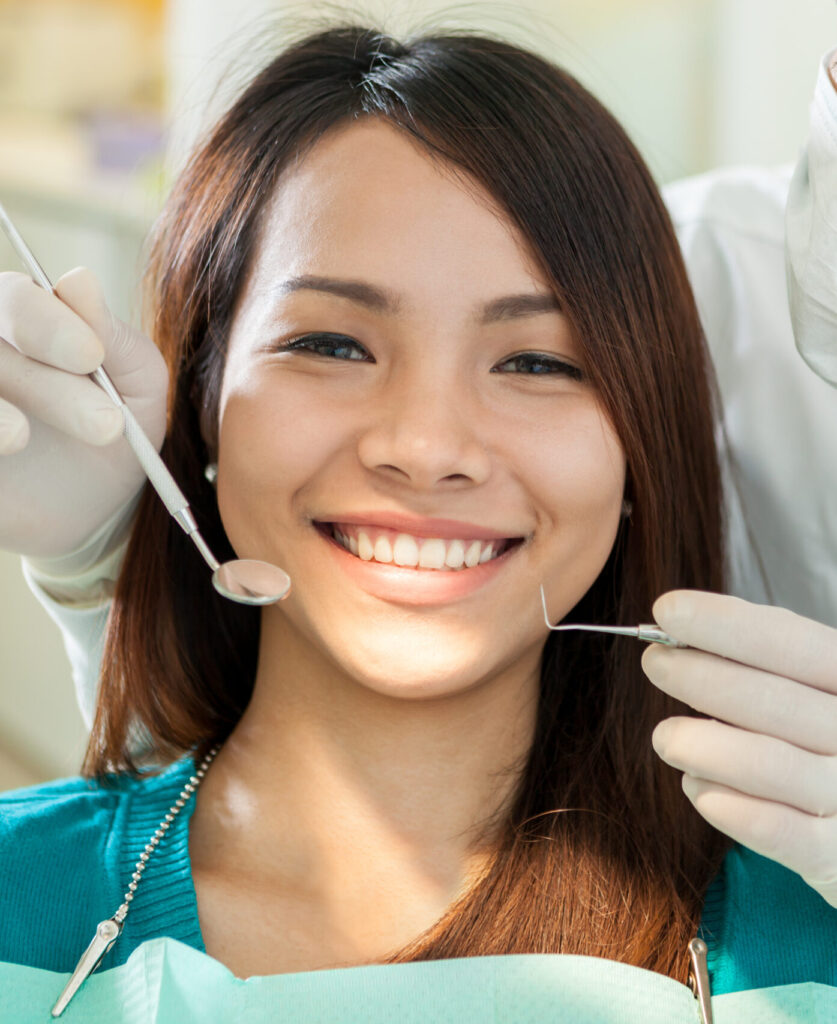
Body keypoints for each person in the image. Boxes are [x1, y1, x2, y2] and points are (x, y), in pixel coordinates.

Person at [1, 24, 836, 1015]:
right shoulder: (28, 903)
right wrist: (113, 562)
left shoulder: (800, 945)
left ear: (639, 454)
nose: (429, 445)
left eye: (538, 362)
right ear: (203, 400)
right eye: (331, 343)